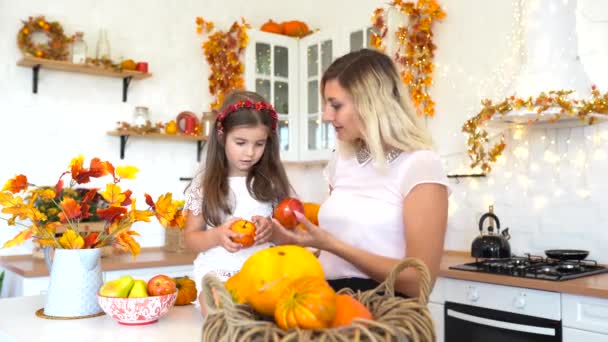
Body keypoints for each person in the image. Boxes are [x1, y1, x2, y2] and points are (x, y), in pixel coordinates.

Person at [272, 49, 450, 298]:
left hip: (387, 312)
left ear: (371, 103)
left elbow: (419, 282)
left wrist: (331, 244)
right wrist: (300, 242)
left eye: (336, 105)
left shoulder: (421, 165)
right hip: (330, 302)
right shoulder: (341, 161)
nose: (326, 115)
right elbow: (336, 260)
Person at [183, 90, 293, 314]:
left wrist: (272, 231)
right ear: (222, 136)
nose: (250, 152)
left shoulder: (272, 184)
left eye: (259, 144)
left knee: (275, 311)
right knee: (219, 309)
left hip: (264, 271)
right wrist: (216, 235)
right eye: (240, 142)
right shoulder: (205, 184)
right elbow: (191, 238)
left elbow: (292, 238)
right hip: (219, 271)